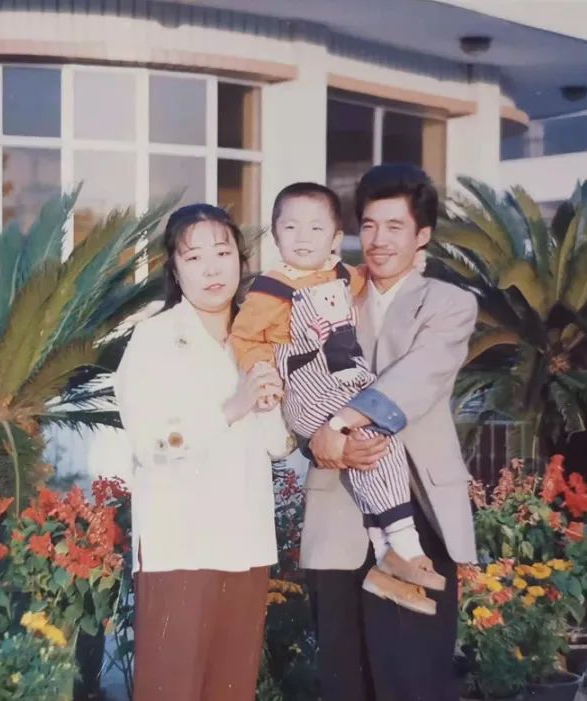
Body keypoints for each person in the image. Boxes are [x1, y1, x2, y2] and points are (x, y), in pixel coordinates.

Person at [301, 164, 479, 701]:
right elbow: (296, 376)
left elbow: (418, 378)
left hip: (416, 510)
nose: (378, 240)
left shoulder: (449, 303)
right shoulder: (323, 297)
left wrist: (339, 424)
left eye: (395, 227)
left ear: (423, 235)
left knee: (412, 677)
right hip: (338, 501)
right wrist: (318, 440)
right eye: (370, 225)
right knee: (344, 674)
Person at [229, 182, 445, 615]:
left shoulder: (342, 275)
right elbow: (244, 336)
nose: (303, 237)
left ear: (334, 237)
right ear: (275, 234)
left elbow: (369, 280)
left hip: (346, 385)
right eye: (291, 227)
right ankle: (405, 546)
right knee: (373, 438)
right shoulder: (272, 288)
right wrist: (262, 374)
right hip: (308, 388)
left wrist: (409, 265)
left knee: (376, 448)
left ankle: (387, 558)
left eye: (315, 228)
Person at [114, 203, 290, 701]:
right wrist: (230, 409)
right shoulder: (153, 339)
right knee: (171, 688)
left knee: (232, 688)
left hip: (246, 540)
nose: (212, 269)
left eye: (223, 252)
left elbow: (278, 444)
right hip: (181, 545)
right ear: (175, 270)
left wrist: (271, 401)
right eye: (194, 258)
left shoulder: (259, 336)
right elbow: (149, 442)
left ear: (241, 259)